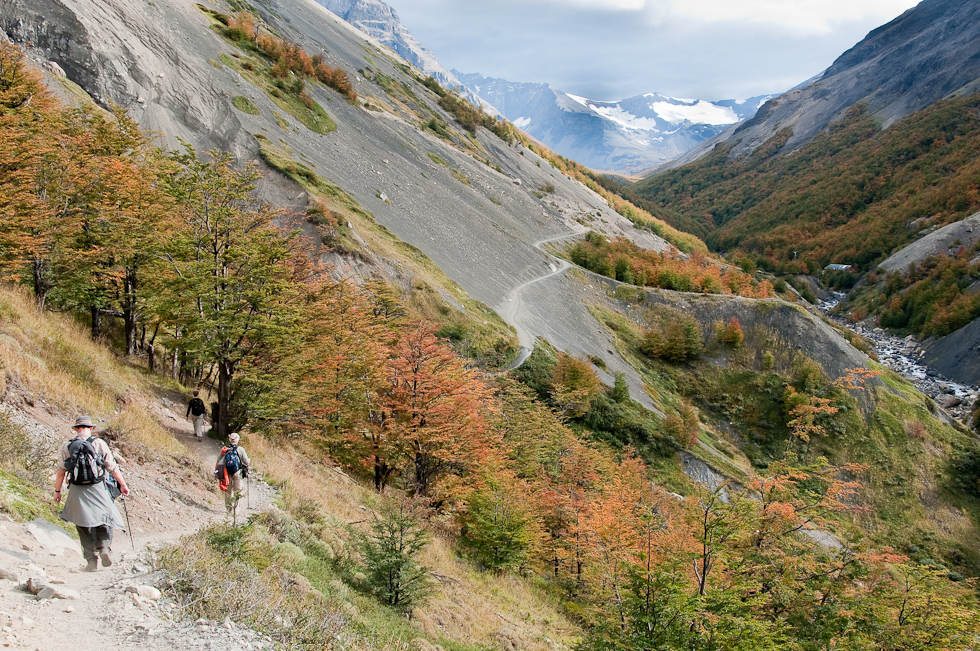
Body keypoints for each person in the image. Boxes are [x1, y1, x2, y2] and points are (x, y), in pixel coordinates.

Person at [53, 416, 130, 572]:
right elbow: (112, 468)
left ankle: (90, 562)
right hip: (97, 487)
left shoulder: (67, 445)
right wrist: (123, 485)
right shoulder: (99, 443)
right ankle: (104, 548)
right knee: (103, 519)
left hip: (76, 489)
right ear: (91, 428)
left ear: (75, 429)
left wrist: (57, 492)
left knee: (82, 524)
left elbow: (61, 472)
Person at [215, 432, 250, 516]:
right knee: (238, 490)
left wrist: (216, 472)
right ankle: (236, 509)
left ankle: (228, 509)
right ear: (237, 440)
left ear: (229, 439)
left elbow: (218, 461)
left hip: (226, 473)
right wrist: (249, 461)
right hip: (237, 472)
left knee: (228, 492)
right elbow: (246, 461)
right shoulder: (240, 449)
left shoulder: (225, 449)